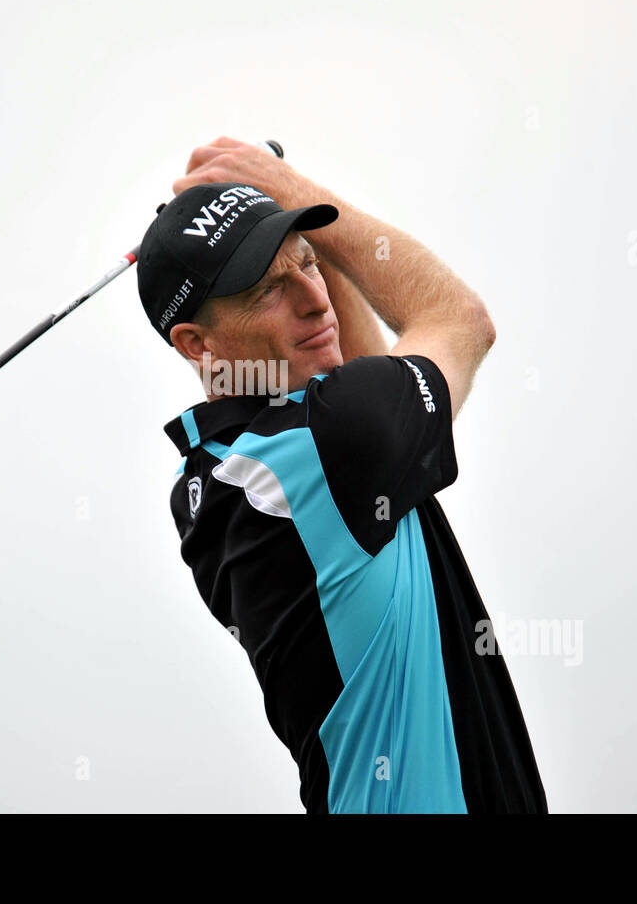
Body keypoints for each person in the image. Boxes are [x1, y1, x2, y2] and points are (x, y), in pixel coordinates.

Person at [136, 136, 548, 814]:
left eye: (308, 263)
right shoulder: (321, 447)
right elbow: (460, 321)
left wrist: (285, 221)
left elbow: (355, 373)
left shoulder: (221, 470)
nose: (314, 299)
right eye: (269, 287)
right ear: (196, 343)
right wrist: (297, 192)